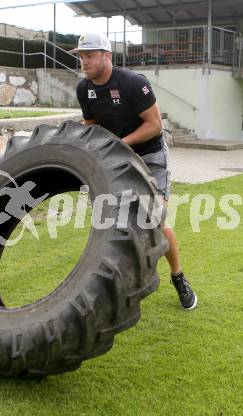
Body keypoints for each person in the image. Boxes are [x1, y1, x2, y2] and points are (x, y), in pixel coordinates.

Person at [70, 33, 197, 310]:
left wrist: (120, 144)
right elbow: (90, 125)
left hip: (150, 155)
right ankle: (120, 285)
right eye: (81, 56)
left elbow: (154, 125)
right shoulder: (84, 89)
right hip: (118, 159)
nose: (84, 61)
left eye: (90, 55)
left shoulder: (132, 83)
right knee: (115, 223)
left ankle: (179, 278)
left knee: (156, 221)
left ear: (107, 56)